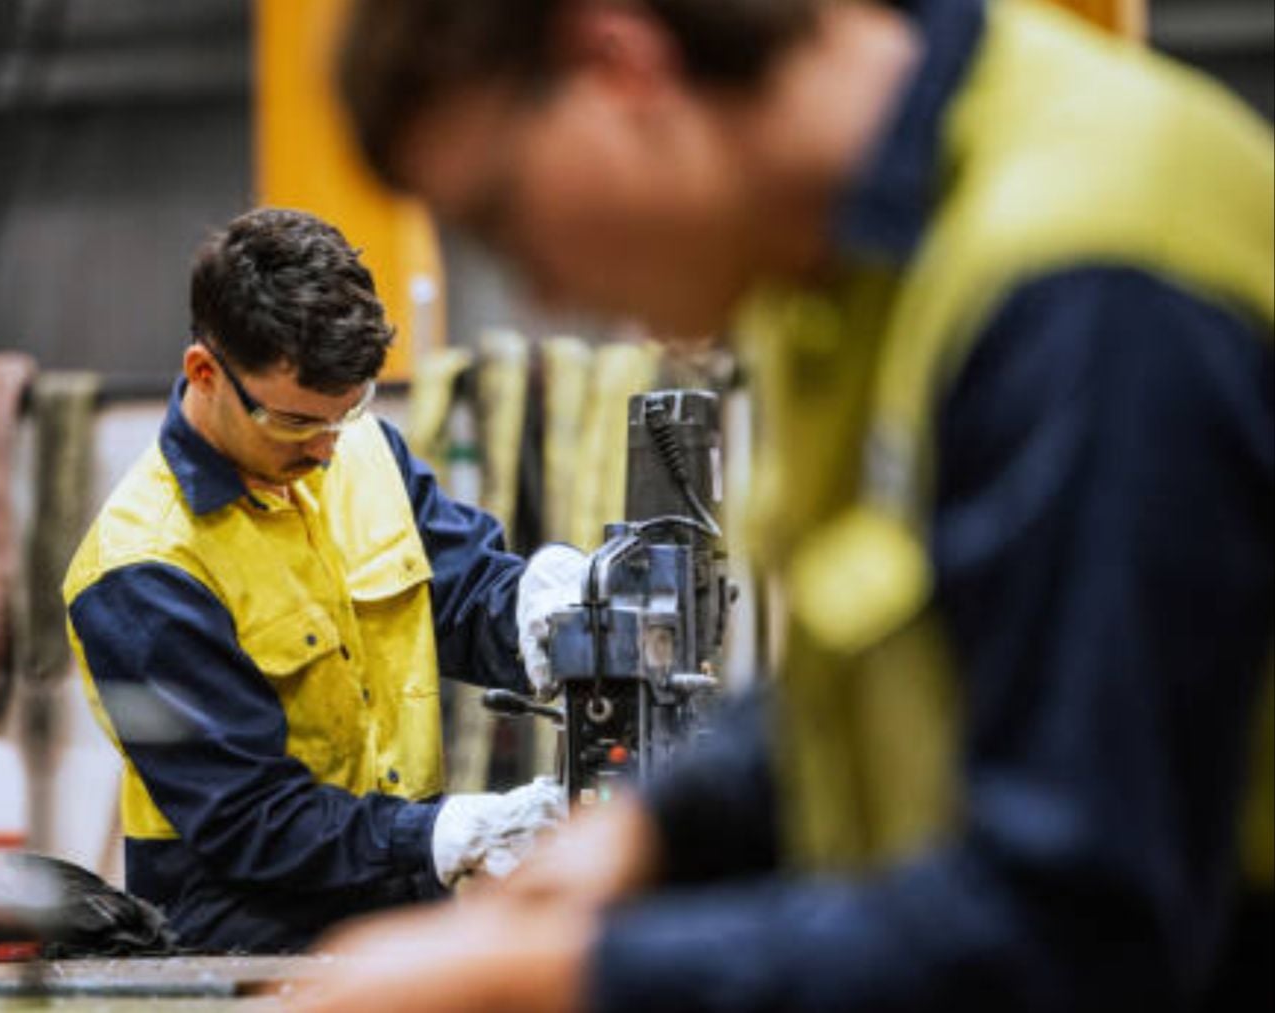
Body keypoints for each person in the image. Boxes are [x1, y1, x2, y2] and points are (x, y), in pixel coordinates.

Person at [303, 0, 1274, 1009]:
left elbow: (1077, 928)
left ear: (619, 64)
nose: (539, 292)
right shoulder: (841, 280)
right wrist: (654, 827)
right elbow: (895, 671)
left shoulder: (1084, 289)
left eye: (503, 217)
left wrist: (559, 974)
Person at [61, 207, 576, 953]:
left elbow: (461, 593)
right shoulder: (141, 569)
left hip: (401, 903)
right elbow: (252, 818)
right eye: (297, 422)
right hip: (249, 943)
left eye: (349, 410)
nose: (327, 448)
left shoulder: (363, 450)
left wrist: (544, 608)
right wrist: (446, 832)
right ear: (205, 373)